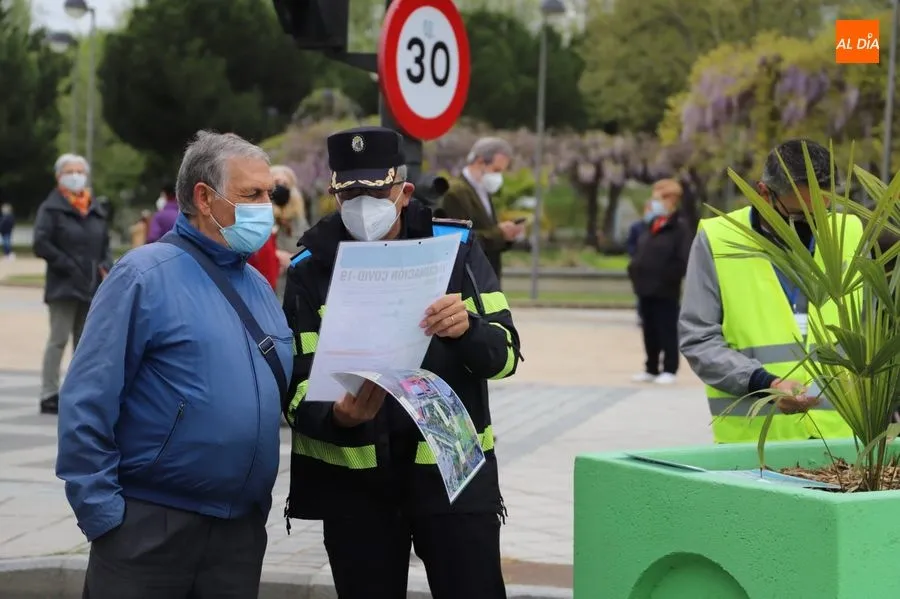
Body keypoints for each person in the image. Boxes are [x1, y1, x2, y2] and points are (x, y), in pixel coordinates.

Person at [282, 126, 522, 599]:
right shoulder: (310, 269)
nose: (361, 205)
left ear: (404, 192)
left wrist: (468, 330)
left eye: (374, 193)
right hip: (357, 489)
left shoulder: (456, 248)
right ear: (334, 193)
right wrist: (337, 416)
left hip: (452, 476)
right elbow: (293, 388)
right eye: (349, 194)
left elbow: (506, 355)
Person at [55, 131, 293, 599]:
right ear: (204, 198)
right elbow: (87, 399)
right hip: (149, 529)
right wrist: (104, 517)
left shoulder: (259, 288)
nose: (267, 207)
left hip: (238, 535)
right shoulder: (142, 276)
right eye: (252, 194)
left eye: (270, 194)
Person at [679, 139, 859, 443]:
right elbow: (699, 338)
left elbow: (877, 330)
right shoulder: (717, 239)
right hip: (754, 446)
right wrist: (764, 383)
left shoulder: (851, 232)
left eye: (822, 212)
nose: (814, 224)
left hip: (843, 442)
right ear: (764, 193)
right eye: (800, 215)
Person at [32, 153, 111, 415]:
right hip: (63, 286)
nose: (76, 176)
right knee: (58, 340)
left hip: (91, 286)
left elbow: (104, 244)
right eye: (70, 171)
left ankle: (80, 391)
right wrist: (67, 264)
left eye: (80, 171)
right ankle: (49, 393)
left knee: (85, 342)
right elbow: (41, 243)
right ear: (59, 177)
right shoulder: (51, 208)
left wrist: (106, 266)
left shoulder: (94, 208)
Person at [627, 179, 693, 385]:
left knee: (667, 329)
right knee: (649, 329)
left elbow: (683, 259)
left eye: (658, 199)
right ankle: (651, 367)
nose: (654, 203)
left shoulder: (679, 228)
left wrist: (667, 277)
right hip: (644, 287)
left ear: (671, 200)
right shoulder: (651, 225)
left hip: (665, 289)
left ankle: (670, 368)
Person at [438, 137, 525, 283]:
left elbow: (486, 232)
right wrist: (499, 234)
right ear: (479, 161)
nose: (498, 176)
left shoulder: (482, 190)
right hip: (469, 281)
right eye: (496, 170)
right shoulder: (456, 192)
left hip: (486, 279)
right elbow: (458, 240)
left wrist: (506, 235)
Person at [269, 165, 307, 295]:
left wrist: (292, 260)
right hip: (270, 285)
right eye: (276, 183)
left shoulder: (299, 221)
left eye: (285, 184)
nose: (281, 187)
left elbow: (311, 252)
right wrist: (275, 255)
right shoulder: (262, 218)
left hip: (293, 286)